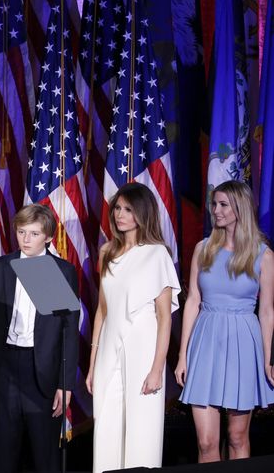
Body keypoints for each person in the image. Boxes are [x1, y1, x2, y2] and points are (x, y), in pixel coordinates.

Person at [174, 180, 274, 462]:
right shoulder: (203, 248)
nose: (215, 211)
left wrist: (267, 359)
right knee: (206, 442)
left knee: (237, 437)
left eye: (222, 205)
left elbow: (267, 312)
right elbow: (192, 300)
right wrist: (183, 356)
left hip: (243, 343)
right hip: (206, 341)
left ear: (240, 209)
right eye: (214, 204)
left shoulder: (264, 256)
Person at [85, 183, 180, 472]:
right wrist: (92, 365)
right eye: (117, 208)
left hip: (143, 348)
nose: (119, 215)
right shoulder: (107, 253)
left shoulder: (157, 254)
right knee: (107, 424)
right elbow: (102, 311)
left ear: (142, 213)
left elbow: (165, 318)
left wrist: (156, 368)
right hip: (108, 348)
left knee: (142, 427)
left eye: (127, 209)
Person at [0, 204, 79, 473]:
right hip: (7, 367)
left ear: (48, 237)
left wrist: (65, 382)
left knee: (44, 453)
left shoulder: (58, 270)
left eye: (34, 234)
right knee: (3, 451)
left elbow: (67, 332)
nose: (25, 239)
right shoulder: (3, 267)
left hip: (42, 371)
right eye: (21, 232)